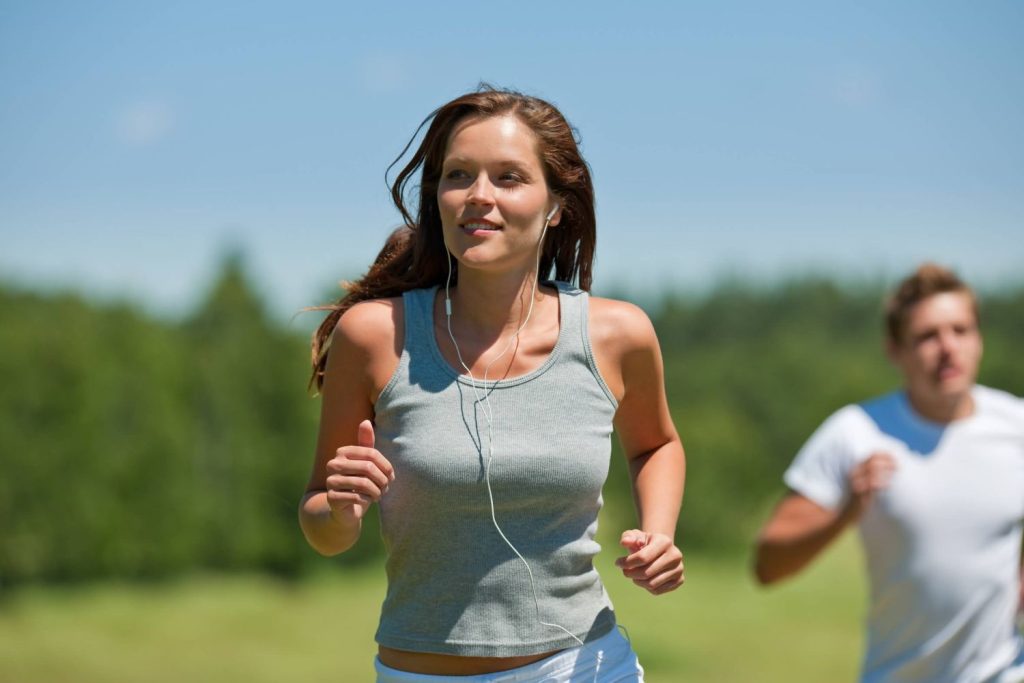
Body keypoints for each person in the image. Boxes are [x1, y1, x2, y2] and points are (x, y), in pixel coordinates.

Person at [299, 86, 685, 682]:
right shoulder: (375, 337)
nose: (479, 196)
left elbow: (655, 443)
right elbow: (322, 526)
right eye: (459, 175)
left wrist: (659, 534)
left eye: (508, 178)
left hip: (583, 665)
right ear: (439, 197)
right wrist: (341, 511)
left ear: (557, 203)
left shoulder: (617, 334)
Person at [753, 263, 1024, 683]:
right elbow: (768, 564)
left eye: (961, 330)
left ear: (979, 339)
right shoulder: (855, 432)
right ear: (895, 351)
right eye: (927, 336)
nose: (948, 347)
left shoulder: (1016, 426)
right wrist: (846, 511)